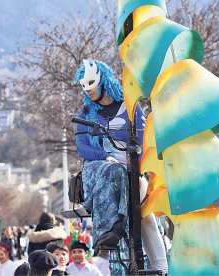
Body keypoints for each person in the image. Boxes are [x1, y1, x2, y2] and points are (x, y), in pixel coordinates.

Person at [73, 59, 168, 273]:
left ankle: (162, 269)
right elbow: (83, 148)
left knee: (147, 219)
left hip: (131, 168)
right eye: (84, 87)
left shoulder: (130, 108)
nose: (88, 91)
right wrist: (105, 156)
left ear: (103, 80)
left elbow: (144, 139)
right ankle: (112, 239)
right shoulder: (86, 116)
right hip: (100, 169)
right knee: (113, 174)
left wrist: (136, 160)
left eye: (92, 84)